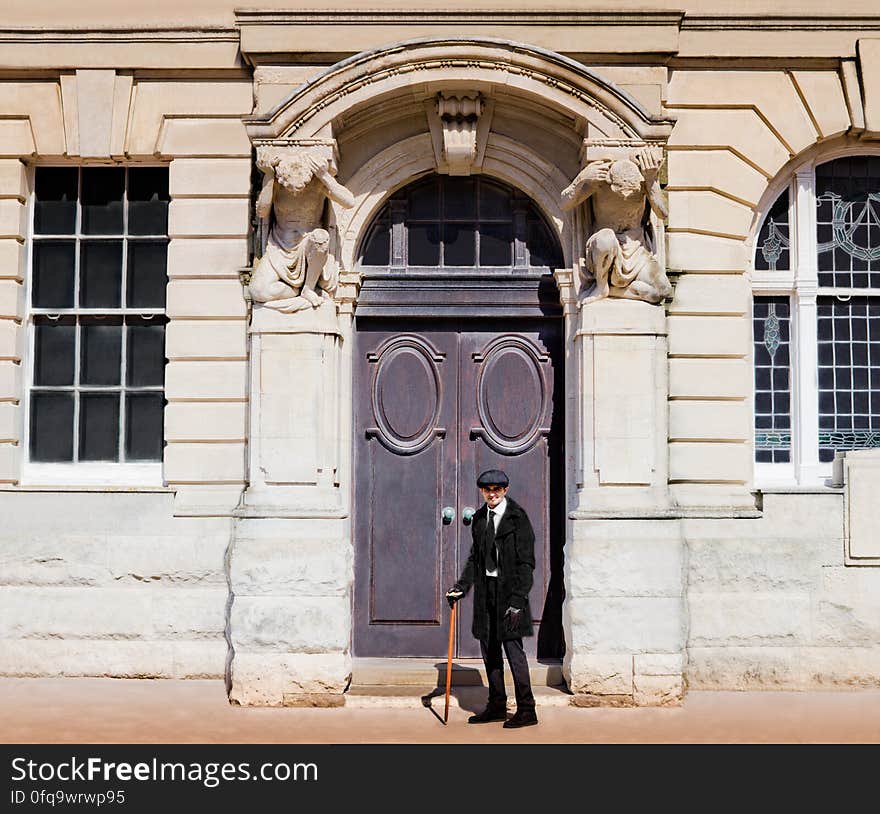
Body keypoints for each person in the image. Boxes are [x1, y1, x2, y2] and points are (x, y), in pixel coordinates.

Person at [445, 469, 538, 728]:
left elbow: (526, 563)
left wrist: (519, 600)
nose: (492, 493)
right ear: (482, 492)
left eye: (497, 489)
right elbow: (476, 558)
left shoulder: (518, 517)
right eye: (487, 490)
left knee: (514, 653)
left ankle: (527, 709)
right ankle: (497, 705)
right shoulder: (479, 518)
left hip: (511, 594)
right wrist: (461, 587)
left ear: (505, 490)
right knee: (491, 653)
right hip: (487, 594)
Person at [560, 144, 671, 305]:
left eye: (631, 191)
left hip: (636, 249)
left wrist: (651, 181)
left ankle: (613, 291)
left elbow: (663, 213)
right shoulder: (599, 179)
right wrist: (582, 179)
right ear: (611, 183)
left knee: (663, 290)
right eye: (621, 190)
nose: (626, 195)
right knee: (606, 237)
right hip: (605, 250)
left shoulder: (645, 179)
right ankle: (601, 285)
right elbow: (564, 204)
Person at [249, 146, 355, 313]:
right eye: (288, 185)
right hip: (280, 245)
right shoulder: (275, 182)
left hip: (308, 244)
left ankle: (308, 287)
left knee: (320, 237)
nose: (294, 191)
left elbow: (349, 202)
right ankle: (295, 292)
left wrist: (324, 176)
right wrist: (269, 176)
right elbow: (262, 211)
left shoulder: (319, 182)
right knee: (258, 290)